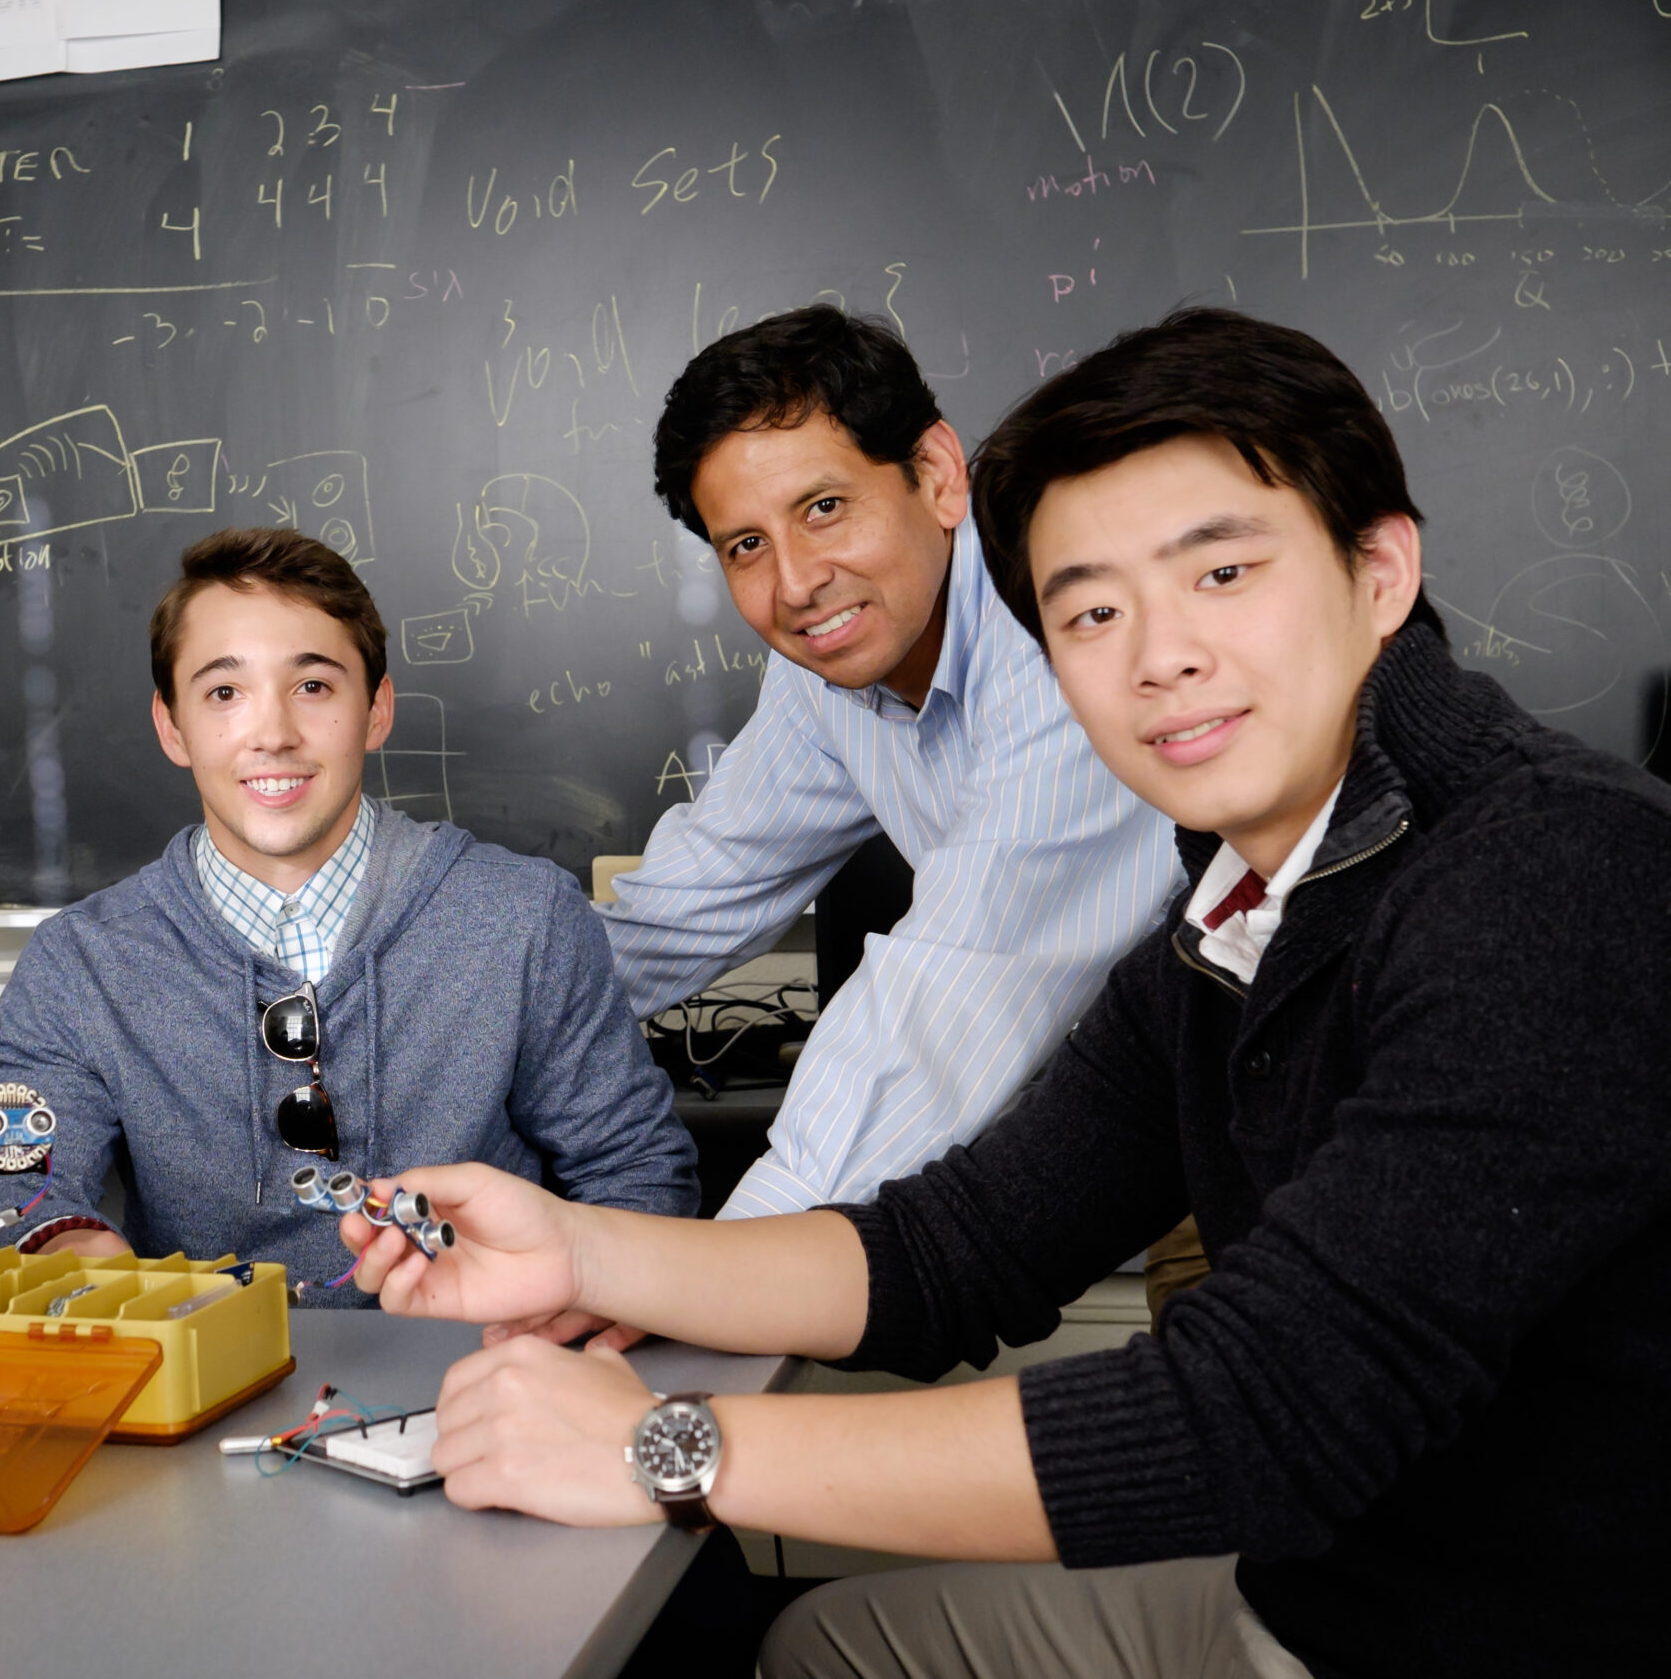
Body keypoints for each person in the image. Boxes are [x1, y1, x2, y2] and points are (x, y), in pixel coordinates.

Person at [338, 309, 1670, 1677]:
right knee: (819, 1648)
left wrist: (664, 1444)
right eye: (1092, 609)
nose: (1158, 655)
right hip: (1327, 1589)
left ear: (1379, 569)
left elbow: (1252, 1416)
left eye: (1220, 573)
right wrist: (583, 1247)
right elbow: (954, 1243)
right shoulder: (1227, 914)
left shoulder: (1558, 874)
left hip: (1502, 1633)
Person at [0, 528, 697, 1291]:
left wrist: (569, 1328)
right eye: (224, 693)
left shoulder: (525, 918)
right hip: (199, 1388)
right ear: (171, 726)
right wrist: (66, 1247)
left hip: (485, 1377)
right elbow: (9, 1193)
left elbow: (636, 1177)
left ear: (377, 710)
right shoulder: (79, 964)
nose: (273, 734)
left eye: (313, 686)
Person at [602, 305, 1177, 1231]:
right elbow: (681, 905)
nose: (795, 583)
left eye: (824, 508)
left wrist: (720, 1272)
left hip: (1335, 1083)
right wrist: (436, 1004)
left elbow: (940, 1008)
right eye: (746, 545)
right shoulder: (830, 666)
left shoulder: (1063, 635)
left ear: (939, 475)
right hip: (1169, 1101)